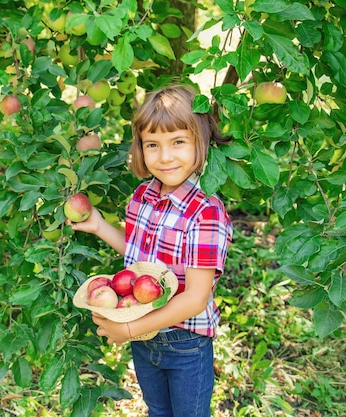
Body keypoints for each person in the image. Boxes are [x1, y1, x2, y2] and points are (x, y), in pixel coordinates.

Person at [68, 83, 233, 417]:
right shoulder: (143, 196)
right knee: (158, 411)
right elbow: (137, 257)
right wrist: (99, 225)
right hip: (144, 338)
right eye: (152, 145)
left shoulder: (205, 211)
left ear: (200, 142)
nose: (165, 156)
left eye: (178, 142)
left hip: (185, 343)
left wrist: (129, 330)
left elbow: (195, 298)